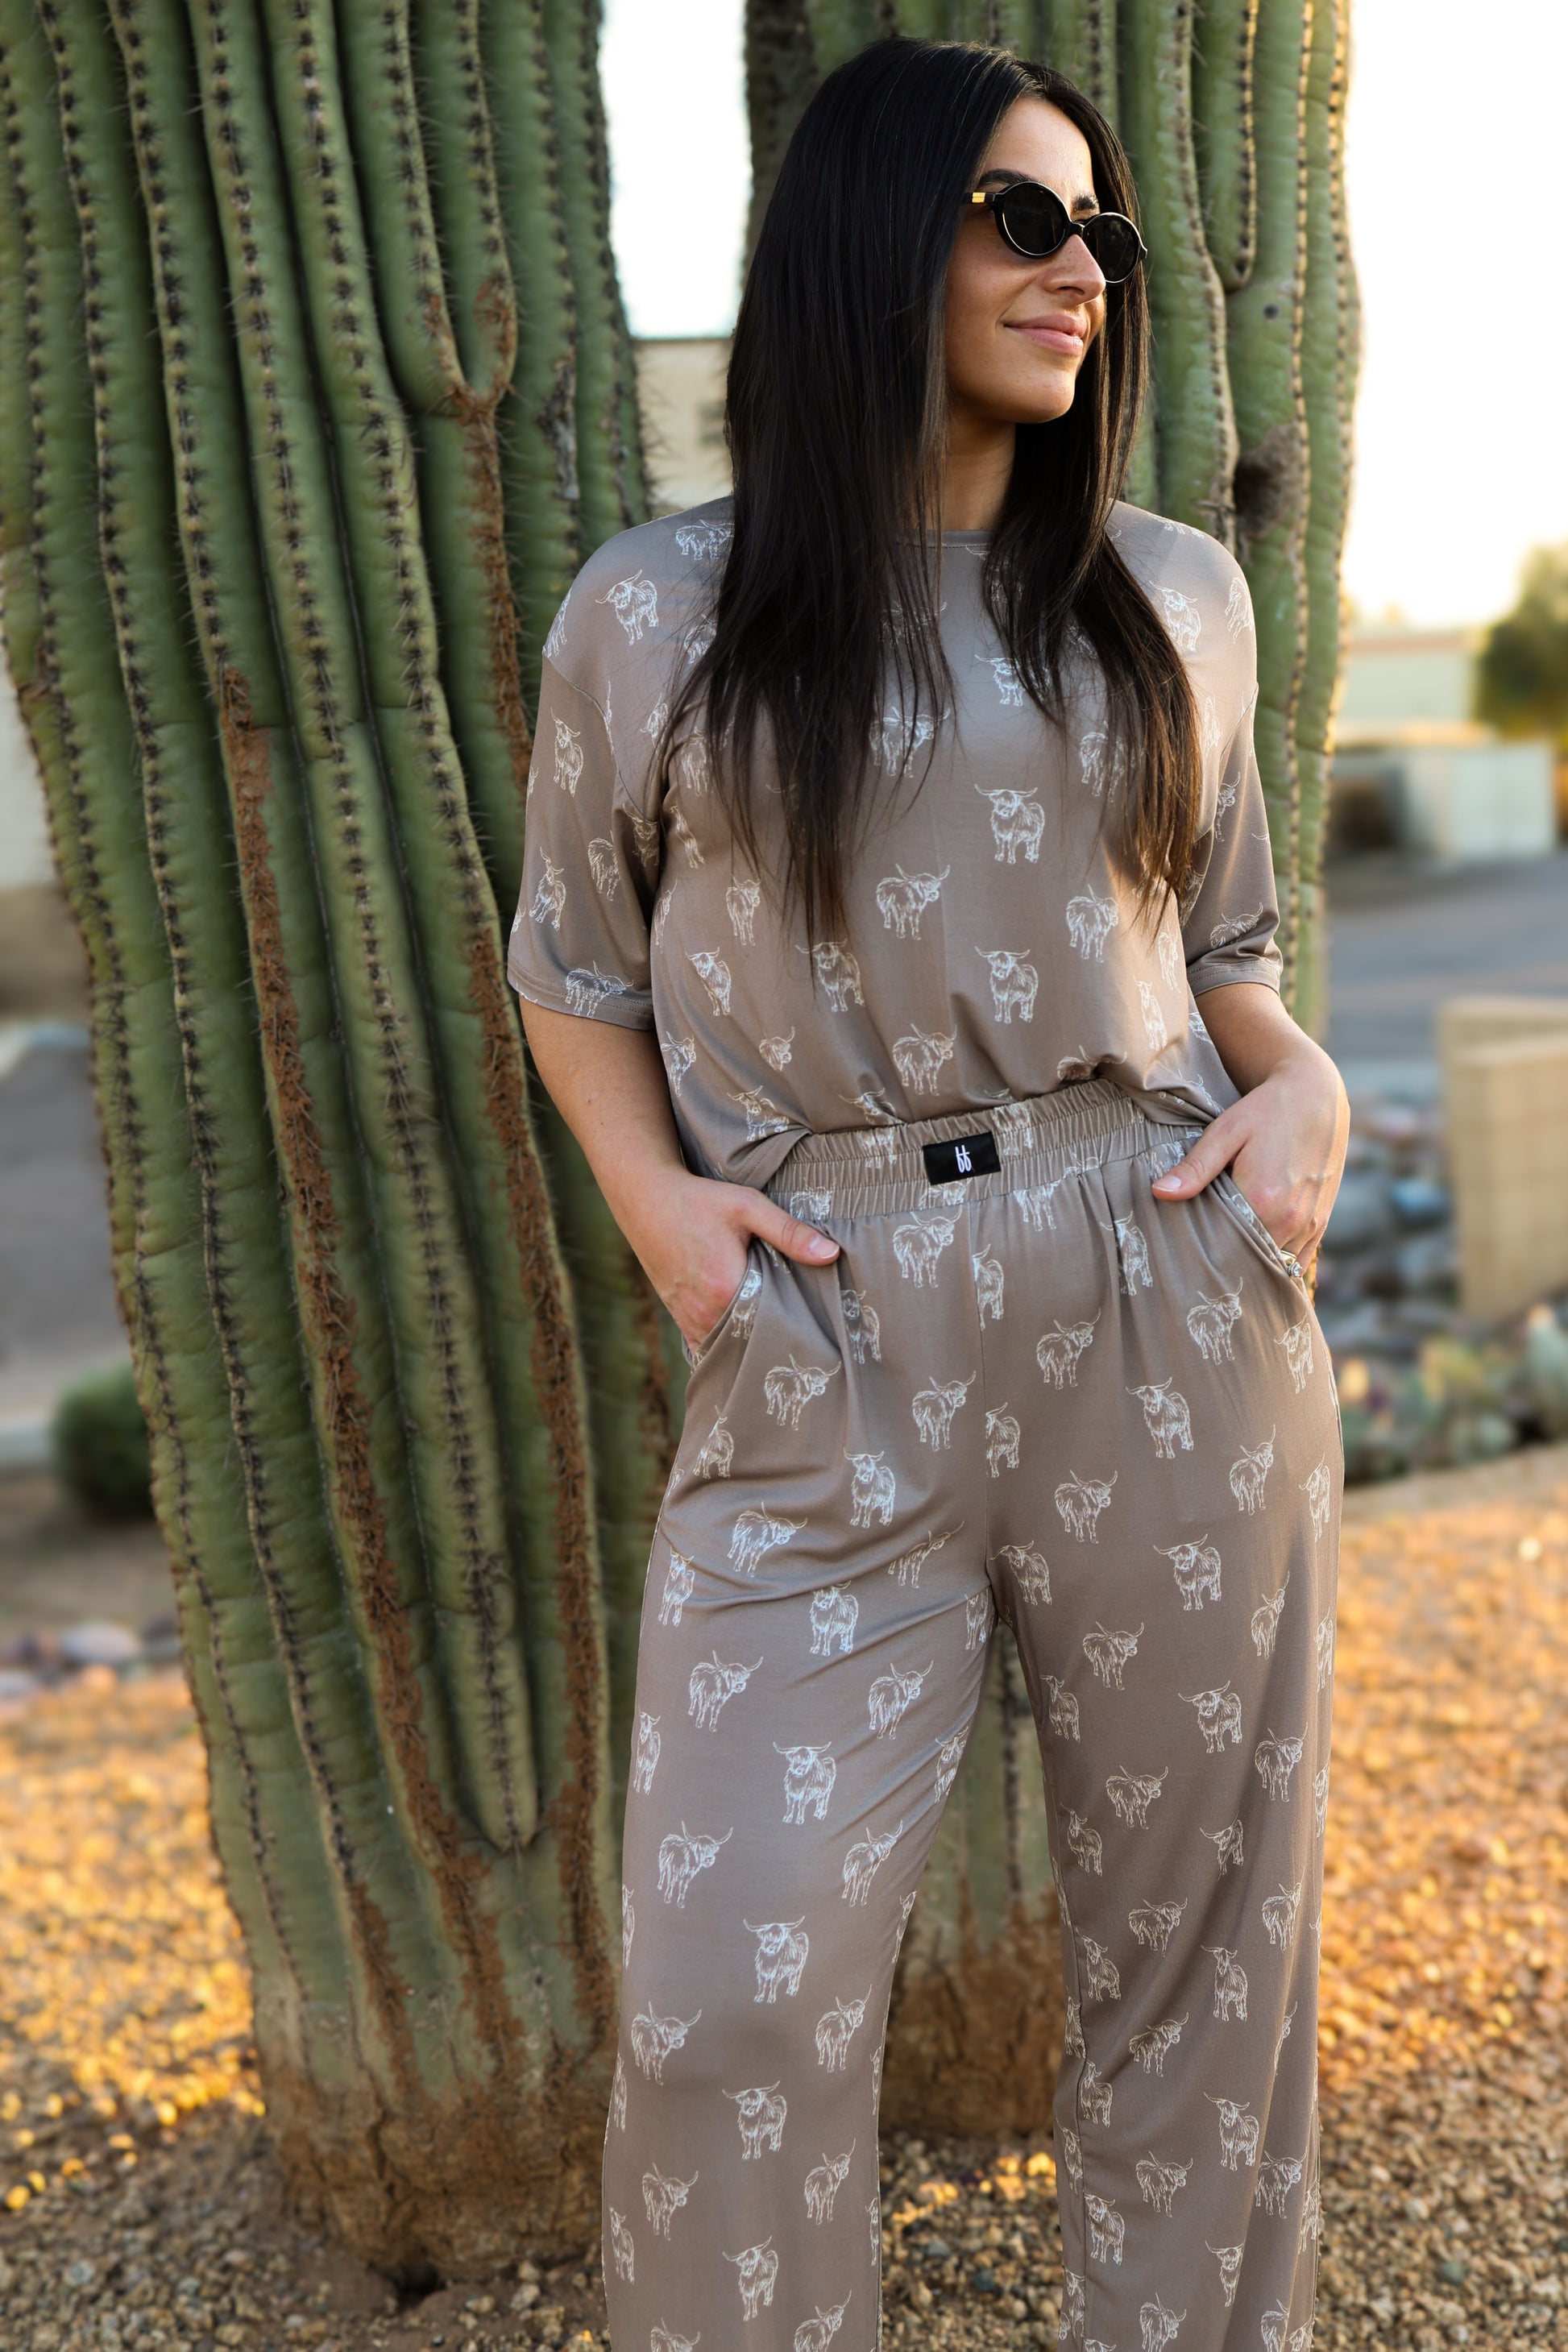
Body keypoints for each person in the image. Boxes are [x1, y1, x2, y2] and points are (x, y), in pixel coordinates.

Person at [507, 35, 1347, 2352]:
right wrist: (662, 1214)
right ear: (872, 237)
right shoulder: (657, 612)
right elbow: (572, 969)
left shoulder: (1172, 594)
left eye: (1099, 231)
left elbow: (1232, 953)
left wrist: (1300, 1101)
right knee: (727, 2002)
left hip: (1164, 1286)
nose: (1080, 269)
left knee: (1205, 1970)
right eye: (1020, 217)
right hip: (825, 1317)